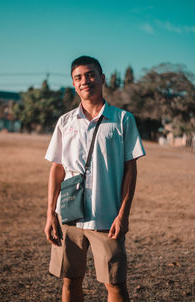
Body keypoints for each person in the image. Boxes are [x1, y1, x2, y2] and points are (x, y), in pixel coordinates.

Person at [44, 56, 145, 302]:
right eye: (78, 77)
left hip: (107, 218)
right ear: (73, 83)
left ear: (101, 78)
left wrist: (123, 215)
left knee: (116, 286)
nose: (85, 81)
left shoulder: (122, 119)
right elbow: (57, 169)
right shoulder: (65, 121)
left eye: (90, 75)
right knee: (70, 283)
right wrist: (49, 213)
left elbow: (130, 171)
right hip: (69, 218)